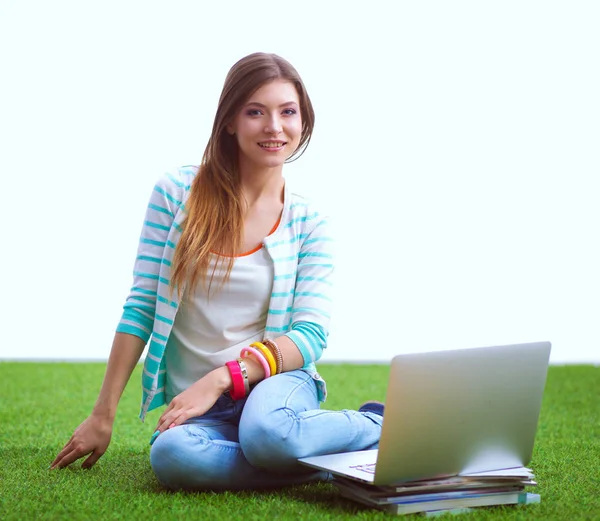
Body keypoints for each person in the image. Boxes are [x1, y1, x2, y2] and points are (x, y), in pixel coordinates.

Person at [50, 52, 384, 490]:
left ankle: (379, 427)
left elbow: (310, 335)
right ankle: (319, 461)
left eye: (288, 112)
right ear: (229, 121)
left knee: (267, 432)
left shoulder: (309, 223)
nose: (274, 127)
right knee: (171, 456)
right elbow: (141, 307)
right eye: (255, 112)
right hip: (202, 412)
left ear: (303, 122)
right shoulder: (176, 195)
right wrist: (102, 413)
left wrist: (222, 378)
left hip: (273, 388)